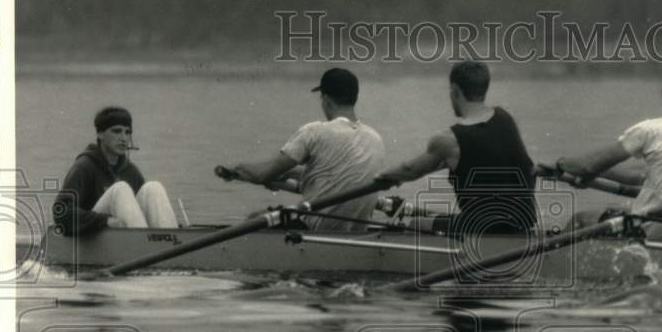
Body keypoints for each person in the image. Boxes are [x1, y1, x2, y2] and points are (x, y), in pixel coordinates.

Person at [555, 62, 662, 240]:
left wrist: (560, 165)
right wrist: (596, 173)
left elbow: (586, 167)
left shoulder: (652, 130)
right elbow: (641, 176)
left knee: (580, 219)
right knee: (623, 211)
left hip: (647, 233)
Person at [376, 60, 537, 236]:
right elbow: (484, 156)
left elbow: (410, 169)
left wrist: (384, 176)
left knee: (416, 224)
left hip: (482, 227)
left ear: (455, 90)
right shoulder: (505, 118)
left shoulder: (448, 139)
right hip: (523, 220)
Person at [222, 68, 385, 232]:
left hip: (317, 229)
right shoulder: (375, 138)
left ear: (326, 99)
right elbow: (333, 176)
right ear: (354, 98)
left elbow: (262, 174)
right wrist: (289, 173)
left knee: (255, 219)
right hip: (357, 231)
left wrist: (237, 169)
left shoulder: (314, 132)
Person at [54, 106, 178, 237]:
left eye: (127, 132)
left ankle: (172, 241)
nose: (124, 138)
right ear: (100, 134)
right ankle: (144, 245)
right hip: (91, 237)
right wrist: (106, 221)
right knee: (121, 188)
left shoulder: (131, 171)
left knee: (153, 188)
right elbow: (61, 212)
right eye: (117, 131)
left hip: (121, 239)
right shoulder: (84, 167)